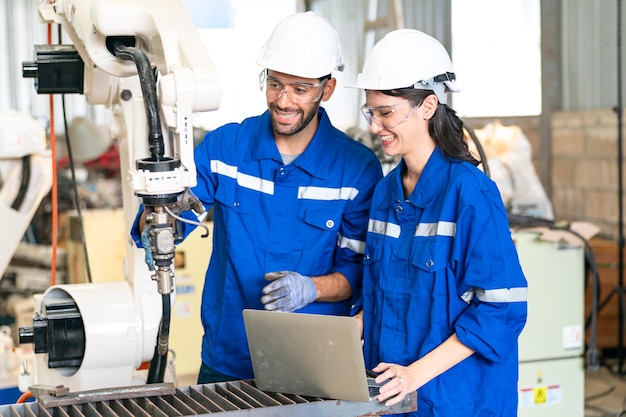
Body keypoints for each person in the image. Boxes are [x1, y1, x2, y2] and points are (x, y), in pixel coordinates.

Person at [132, 11, 383, 384]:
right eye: (275, 84)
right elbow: (167, 225)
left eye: (300, 89)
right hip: (229, 355)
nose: (283, 101)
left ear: (326, 90)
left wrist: (311, 288)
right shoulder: (227, 150)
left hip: (313, 361)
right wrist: (156, 219)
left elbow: (359, 272)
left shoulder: (355, 170)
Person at [348, 29, 528, 416]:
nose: (376, 126)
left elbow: (502, 309)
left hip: (456, 399)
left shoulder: (471, 194)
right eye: (371, 112)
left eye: (387, 113)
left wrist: (414, 375)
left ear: (428, 106)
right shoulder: (384, 194)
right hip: (392, 396)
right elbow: (382, 295)